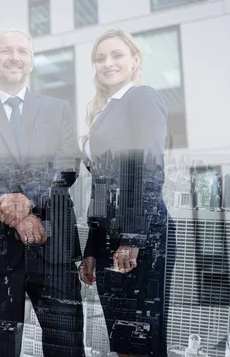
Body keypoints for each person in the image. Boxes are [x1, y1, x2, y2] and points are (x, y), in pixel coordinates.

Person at [0, 29, 85, 357]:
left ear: (32, 62)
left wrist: (27, 199)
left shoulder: (58, 109)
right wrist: (14, 209)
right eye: (5, 50)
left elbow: (68, 163)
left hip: (52, 246)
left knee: (67, 347)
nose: (14, 57)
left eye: (22, 51)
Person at [78, 29, 170, 357]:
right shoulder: (104, 112)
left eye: (117, 54)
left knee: (140, 341)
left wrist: (131, 238)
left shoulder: (141, 98)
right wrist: (92, 247)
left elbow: (148, 167)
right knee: (123, 342)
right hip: (108, 238)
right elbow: (100, 186)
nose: (108, 63)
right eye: (100, 58)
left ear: (135, 60)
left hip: (140, 236)